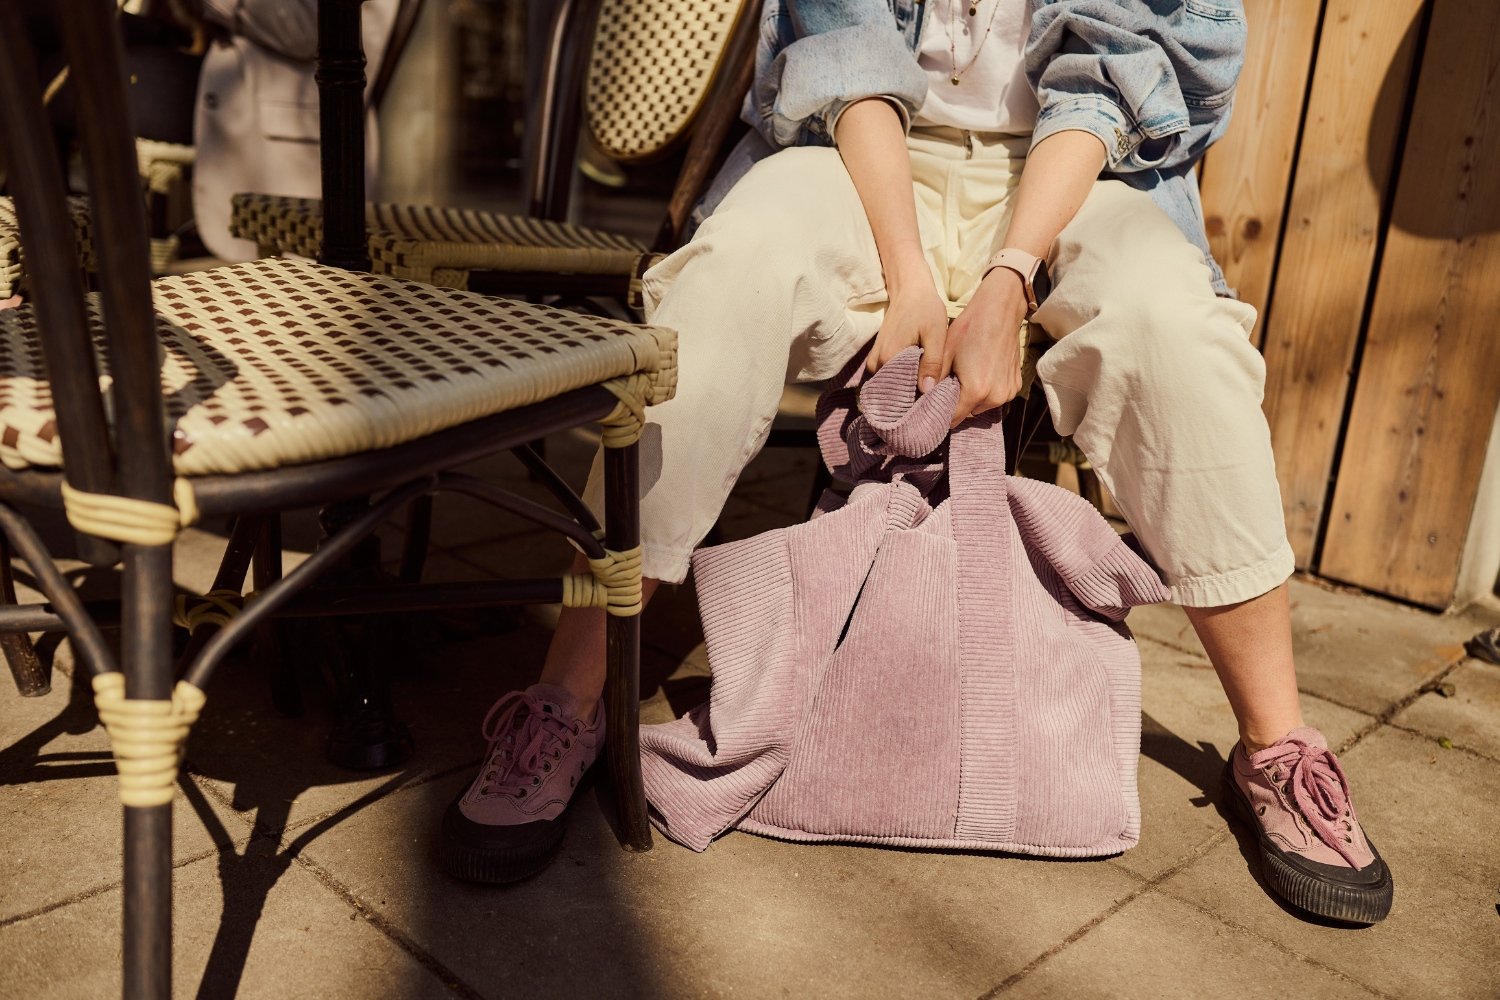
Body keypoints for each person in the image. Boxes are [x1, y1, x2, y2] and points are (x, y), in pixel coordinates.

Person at [440, 0, 1394, 925]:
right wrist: (907, 275)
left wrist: (1008, 276)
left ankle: (1275, 746)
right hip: (862, 156)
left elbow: (1119, 69)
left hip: (1082, 168)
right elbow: (843, 41)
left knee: (1174, 332)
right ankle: (565, 698)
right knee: (727, 284)